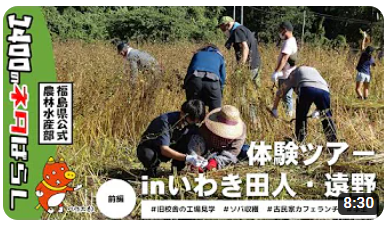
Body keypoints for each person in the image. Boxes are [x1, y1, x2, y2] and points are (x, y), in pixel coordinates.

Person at [137, 100, 207, 177]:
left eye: (196, 122)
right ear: (182, 113)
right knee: (147, 154)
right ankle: (151, 169)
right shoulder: (164, 121)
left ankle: (176, 170)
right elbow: (164, 150)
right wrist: (187, 158)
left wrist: (197, 156)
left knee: (187, 140)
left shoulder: (192, 124)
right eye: (192, 121)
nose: (193, 124)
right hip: (153, 149)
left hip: (172, 148)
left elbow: (196, 140)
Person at [271, 66, 337, 143]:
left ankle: (300, 141)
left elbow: (281, 92)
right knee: (326, 117)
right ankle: (333, 143)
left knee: (301, 116)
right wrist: (318, 109)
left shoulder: (293, 74)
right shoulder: (314, 70)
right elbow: (322, 87)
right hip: (324, 91)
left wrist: (274, 108)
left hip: (306, 89)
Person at [187, 105, 247, 172]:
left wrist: (215, 162)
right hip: (208, 151)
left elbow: (233, 152)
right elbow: (196, 142)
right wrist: (195, 160)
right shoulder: (207, 126)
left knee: (246, 150)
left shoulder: (241, 130)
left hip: (226, 152)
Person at [217, 16, 261, 87]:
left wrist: (241, 66)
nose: (222, 31)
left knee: (247, 88)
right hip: (254, 63)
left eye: (222, 28)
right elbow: (229, 46)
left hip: (250, 65)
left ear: (227, 24)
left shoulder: (238, 30)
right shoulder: (239, 29)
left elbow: (245, 47)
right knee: (253, 88)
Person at [184, 44, 226, 111]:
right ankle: (211, 120)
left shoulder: (197, 54)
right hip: (212, 83)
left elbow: (189, 71)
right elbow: (223, 76)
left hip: (194, 80)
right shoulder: (219, 56)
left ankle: (193, 120)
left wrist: (186, 85)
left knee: (193, 109)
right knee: (215, 112)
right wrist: (220, 91)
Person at [271, 21, 298, 117]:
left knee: (285, 96)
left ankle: (288, 115)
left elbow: (284, 59)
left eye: (280, 30)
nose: (279, 33)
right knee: (284, 95)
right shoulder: (292, 40)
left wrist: (276, 72)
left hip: (286, 75)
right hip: (289, 73)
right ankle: (278, 110)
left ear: (285, 30)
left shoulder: (288, 43)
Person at [355, 31, 376, 100]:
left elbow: (362, 46)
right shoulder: (371, 58)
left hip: (361, 73)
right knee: (366, 89)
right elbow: (374, 65)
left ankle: (361, 99)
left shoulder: (364, 54)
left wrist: (364, 38)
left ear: (366, 50)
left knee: (357, 89)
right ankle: (365, 100)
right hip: (368, 75)